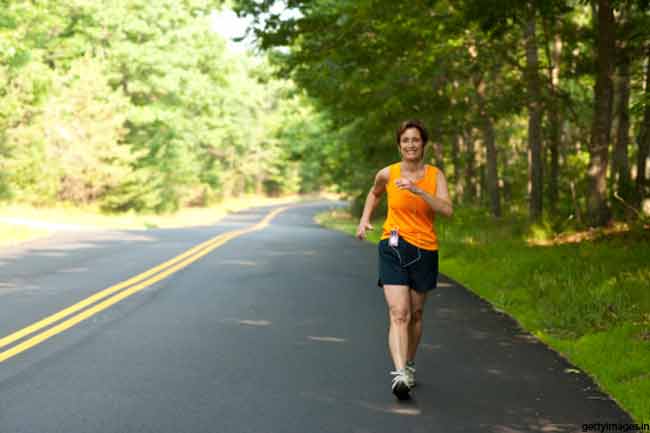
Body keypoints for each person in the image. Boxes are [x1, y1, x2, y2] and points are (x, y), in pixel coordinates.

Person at [356, 119, 453, 400]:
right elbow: (374, 194)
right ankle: (399, 374)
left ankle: (409, 364)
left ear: (423, 144)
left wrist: (420, 191)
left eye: (415, 140)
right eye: (405, 140)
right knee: (399, 313)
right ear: (399, 145)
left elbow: (447, 210)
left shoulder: (436, 176)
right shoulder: (387, 173)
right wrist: (364, 220)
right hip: (393, 246)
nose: (411, 144)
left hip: (425, 249)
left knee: (416, 314)